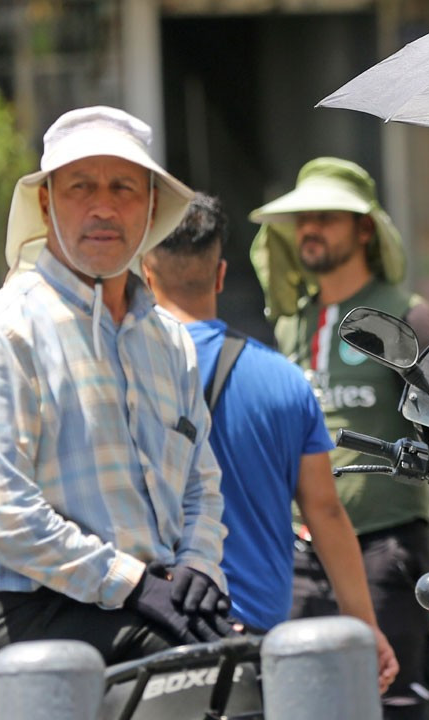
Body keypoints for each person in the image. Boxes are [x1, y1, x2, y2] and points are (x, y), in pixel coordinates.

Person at [0, 106, 232, 701]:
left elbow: (202, 481)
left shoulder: (169, 340)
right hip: (24, 610)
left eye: (123, 187)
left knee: (252, 665)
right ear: (46, 204)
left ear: (150, 207)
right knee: (198, 677)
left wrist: (198, 565)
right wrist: (132, 584)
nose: (103, 206)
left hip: (143, 603)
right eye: (81, 187)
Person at [140, 192, 399, 691]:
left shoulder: (126, 373)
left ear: (146, 274)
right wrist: (364, 624)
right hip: (255, 642)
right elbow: (324, 511)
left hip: (150, 629)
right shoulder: (284, 380)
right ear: (220, 275)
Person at [248, 157, 429, 719]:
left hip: (386, 551)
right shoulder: (290, 322)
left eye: (328, 217)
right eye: (304, 218)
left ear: (365, 229)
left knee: (391, 705)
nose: (311, 229)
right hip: (300, 555)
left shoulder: (407, 315)